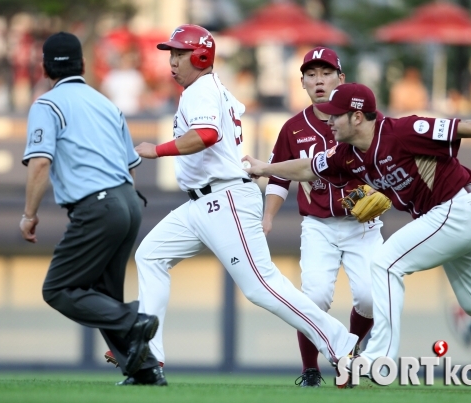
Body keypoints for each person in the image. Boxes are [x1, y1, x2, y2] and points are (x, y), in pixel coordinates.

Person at [243, 82, 471, 381]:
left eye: (337, 115)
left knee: (386, 263)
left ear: (357, 117)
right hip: (460, 216)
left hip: (461, 206)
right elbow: (309, 168)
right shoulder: (346, 154)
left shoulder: (402, 130)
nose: (329, 120)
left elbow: (463, 127)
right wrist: (264, 168)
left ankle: (376, 358)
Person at [116, 24, 358, 381]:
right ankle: (149, 359)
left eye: (179, 53)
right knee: (150, 254)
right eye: (171, 53)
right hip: (202, 201)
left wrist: (156, 150)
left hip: (224, 196)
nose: (173, 61)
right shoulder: (209, 89)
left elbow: (207, 135)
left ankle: (341, 345)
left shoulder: (200, 89)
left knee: (261, 286)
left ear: (200, 56)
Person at [19, 32, 166, 386]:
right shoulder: (106, 103)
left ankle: (134, 319)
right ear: (83, 65)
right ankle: (145, 370)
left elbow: (40, 163)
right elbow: (130, 164)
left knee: (58, 289)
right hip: (129, 201)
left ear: (45, 68)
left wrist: (29, 215)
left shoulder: (47, 104)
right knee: (102, 296)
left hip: (97, 206)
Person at [264, 47, 382, 387]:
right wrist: (268, 217)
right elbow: (279, 178)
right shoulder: (293, 128)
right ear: (301, 82)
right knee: (314, 297)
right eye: (311, 74)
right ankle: (310, 369)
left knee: (371, 298)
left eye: (326, 72)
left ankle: (351, 357)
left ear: (341, 79)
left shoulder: (363, 119)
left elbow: (386, 159)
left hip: (363, 224)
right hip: (319, 224)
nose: (319, 80)